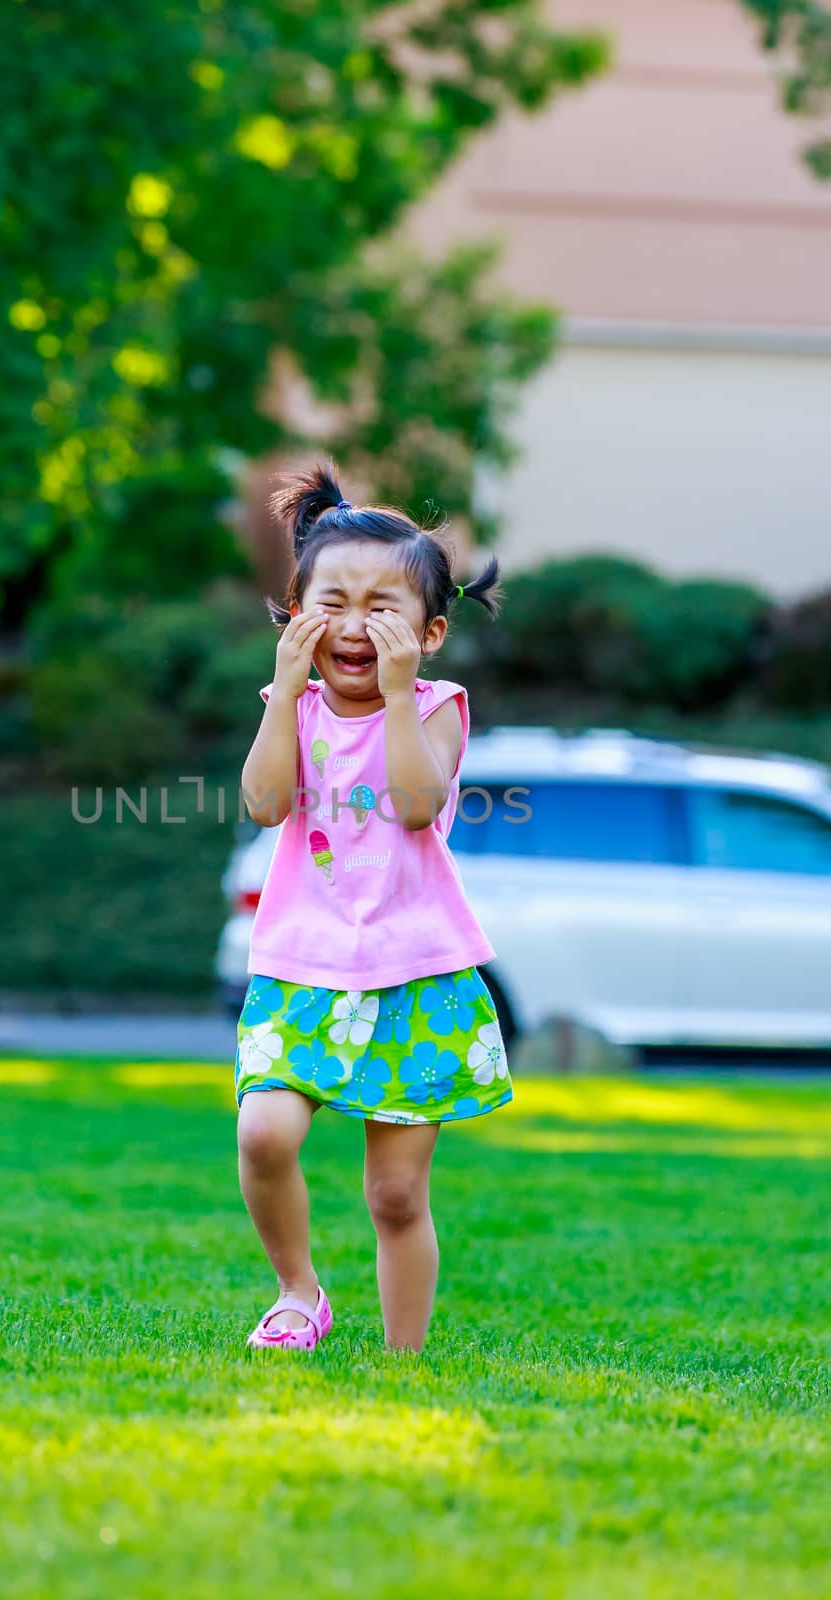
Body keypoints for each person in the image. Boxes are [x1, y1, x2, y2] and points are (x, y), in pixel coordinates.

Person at [235, 458, 514, 1355]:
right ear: (295, 613)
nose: (355, 626)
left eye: (382, 608)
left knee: (395, 1195)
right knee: (265, 1133)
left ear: (430, 633)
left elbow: (418, 804)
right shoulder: (293, 706)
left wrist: (395, 698)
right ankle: (297, 1292)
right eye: (333, 602)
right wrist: (283, 695)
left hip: (414, 974)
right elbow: (266, 804)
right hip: (300, 966)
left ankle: (401, 1361)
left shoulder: (433, 706)